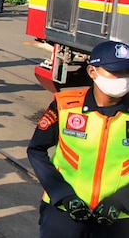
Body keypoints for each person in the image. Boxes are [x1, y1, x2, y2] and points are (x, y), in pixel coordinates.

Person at [28, 40, 129, 237]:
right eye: (115, 72)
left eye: (126, 72)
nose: (122, 79)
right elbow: (36, 150)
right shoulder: (65, 105)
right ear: (92, 72)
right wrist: (61, 194)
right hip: (64, 213)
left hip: (119, 218)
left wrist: (122, 200)